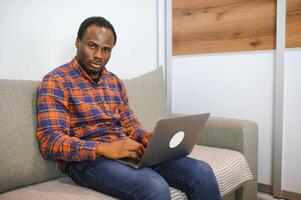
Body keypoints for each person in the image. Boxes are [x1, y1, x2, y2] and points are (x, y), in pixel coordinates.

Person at [36, 16, 221, 200]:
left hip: (125, 150)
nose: (99, 55)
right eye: (92, 46)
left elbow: (129, 123)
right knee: (154, 187)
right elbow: (50, 140)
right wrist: (103, 148)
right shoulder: (56, 81)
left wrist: (145, 136)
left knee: (202, 172)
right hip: (87, 160)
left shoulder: (114, 82)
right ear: (78, 42)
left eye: (106, 50)